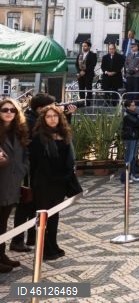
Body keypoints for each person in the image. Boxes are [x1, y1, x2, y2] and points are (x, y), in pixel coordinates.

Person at [28, 105, 82, 261]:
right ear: (43, 119)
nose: (52, 119)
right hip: (44, 182)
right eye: (48, 116)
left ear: (59, 118)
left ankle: (53, 243)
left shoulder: (64, 134)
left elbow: (68, 158)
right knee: (44, 215)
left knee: (54, 215)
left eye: (55, 116)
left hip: (61, 181)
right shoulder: (39, 137)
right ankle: (45, 248)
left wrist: (65, 175)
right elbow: (37, 163)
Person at [0, 98, 28, 272]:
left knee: (3, 223)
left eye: (13, 110)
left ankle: (1, 255)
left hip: (13, 183)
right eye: (5, 110)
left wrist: (23, 169)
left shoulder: (19, 131)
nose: (9, 112)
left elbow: (25, 155)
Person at [120, 100, 139, 184]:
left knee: (133, 157)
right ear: (128, 107)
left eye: (134, 105)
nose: (134, 107)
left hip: (135, 137)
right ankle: (124, 177)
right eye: (132, 105)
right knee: (129, 157)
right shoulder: (127, 116)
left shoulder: (134, 114)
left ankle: (132, 175)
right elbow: (138, 124)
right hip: (130, 138)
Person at [76, 40, 97, 105]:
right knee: (81, 89)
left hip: (88, 74)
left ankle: (88, 103)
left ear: (89, 47)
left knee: (88, 88)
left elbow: (92, 65)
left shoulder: (93, 55)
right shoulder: (80, 54)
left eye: (85, 46)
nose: (83, 47)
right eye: (83, 46)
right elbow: (76, 64)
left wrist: (84, 71)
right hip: (80, 75)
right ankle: (81, 102)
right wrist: (79, 71)